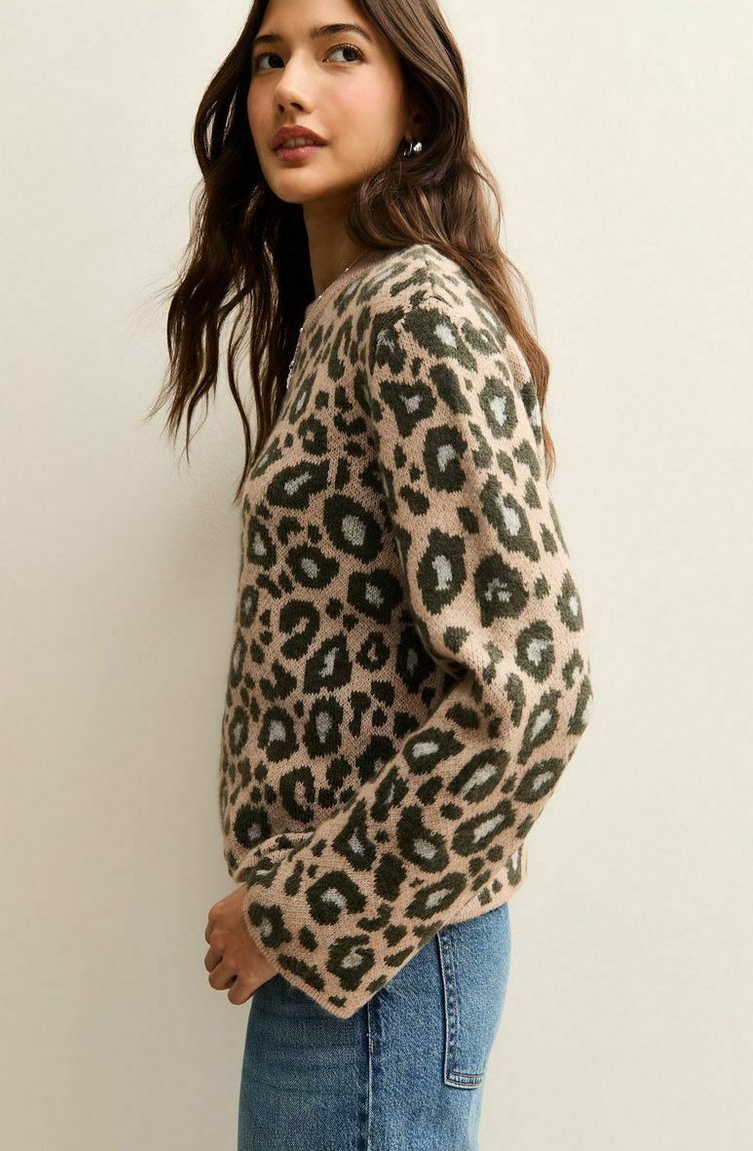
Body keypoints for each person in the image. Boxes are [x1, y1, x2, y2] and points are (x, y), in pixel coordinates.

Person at [147, 1, 595, 1147]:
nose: (289, 88)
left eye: (339, 51)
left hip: (376, 962)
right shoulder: (344, 320)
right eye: (269, 59)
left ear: (415, 102)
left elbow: (531, 689)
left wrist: (297, 915)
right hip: (359, 962)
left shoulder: (410, 315)